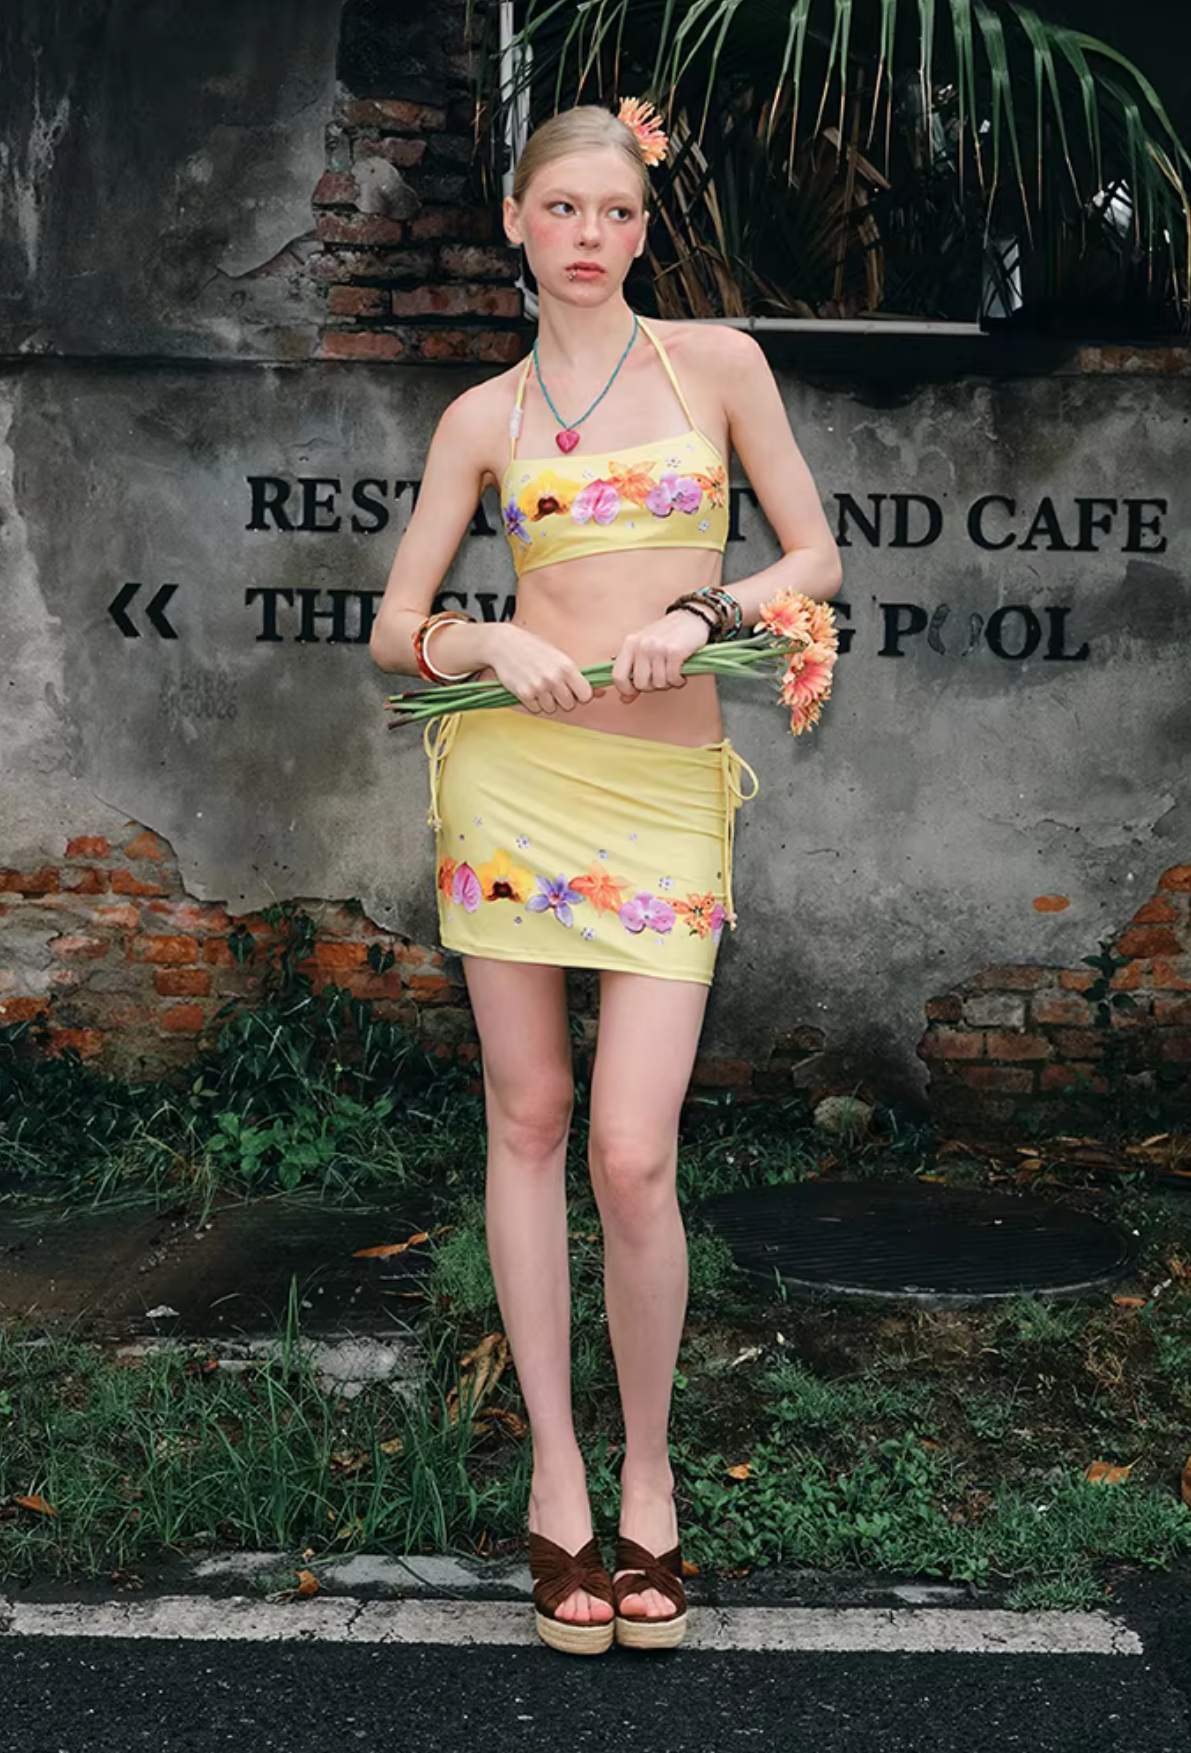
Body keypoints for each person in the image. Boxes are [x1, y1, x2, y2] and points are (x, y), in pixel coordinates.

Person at [369, 101, 842, 1654]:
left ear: (644, 229)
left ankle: (652, 1472)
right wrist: (482, 637)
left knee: (633, 1153)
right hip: (512, 781)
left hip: (663, 792)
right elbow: (394, 628)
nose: (590, 236)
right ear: (515, 223)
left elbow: (816, 558)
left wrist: (710, 615)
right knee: (529, 1116)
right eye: (561, 209)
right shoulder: (482, 419)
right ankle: (559, 1485)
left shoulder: (715, 369)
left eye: (617, 213)